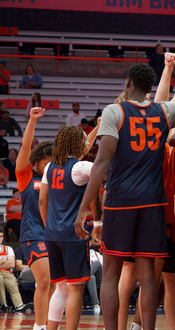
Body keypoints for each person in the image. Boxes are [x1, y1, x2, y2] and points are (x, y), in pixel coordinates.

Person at [74, 57, 175, 330]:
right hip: (153, 204)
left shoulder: (114, 111)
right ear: (150, 87)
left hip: (121, 203)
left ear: (128, 83)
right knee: (148, 278)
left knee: (110, 275)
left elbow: (102, 162)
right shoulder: (166, 111)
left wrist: (84, 208)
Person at [39, 124, 98, 330]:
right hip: (74, 235)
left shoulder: (49, 167)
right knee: (75, 290)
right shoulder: (81, 167)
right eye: (83, 139)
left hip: (52, 234)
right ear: (76, 143)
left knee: (61, 289)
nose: (86, 142)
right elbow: (104, 171)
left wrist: (50, 228)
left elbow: (42, 202)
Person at [16, 107, 54, 330]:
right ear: (38, 161)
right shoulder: (27, 178)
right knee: (45, 281)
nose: (50, 166)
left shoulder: (57, 177)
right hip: (32, 235)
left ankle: (46, 325)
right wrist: (32, 120)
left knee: (53, 286)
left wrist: (98, 128)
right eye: (46, 162)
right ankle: (39, 327)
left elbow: (80, 152)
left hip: (53, 235)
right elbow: (24, 148)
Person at [0, 231, 28, 312]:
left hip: (7, 272)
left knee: (12, 284)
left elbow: (11, 264)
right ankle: (3, 304)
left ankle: (19, 305)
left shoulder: (8, 248)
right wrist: (3, 261)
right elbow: (8, 262)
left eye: (1, 236)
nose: (0, 238)